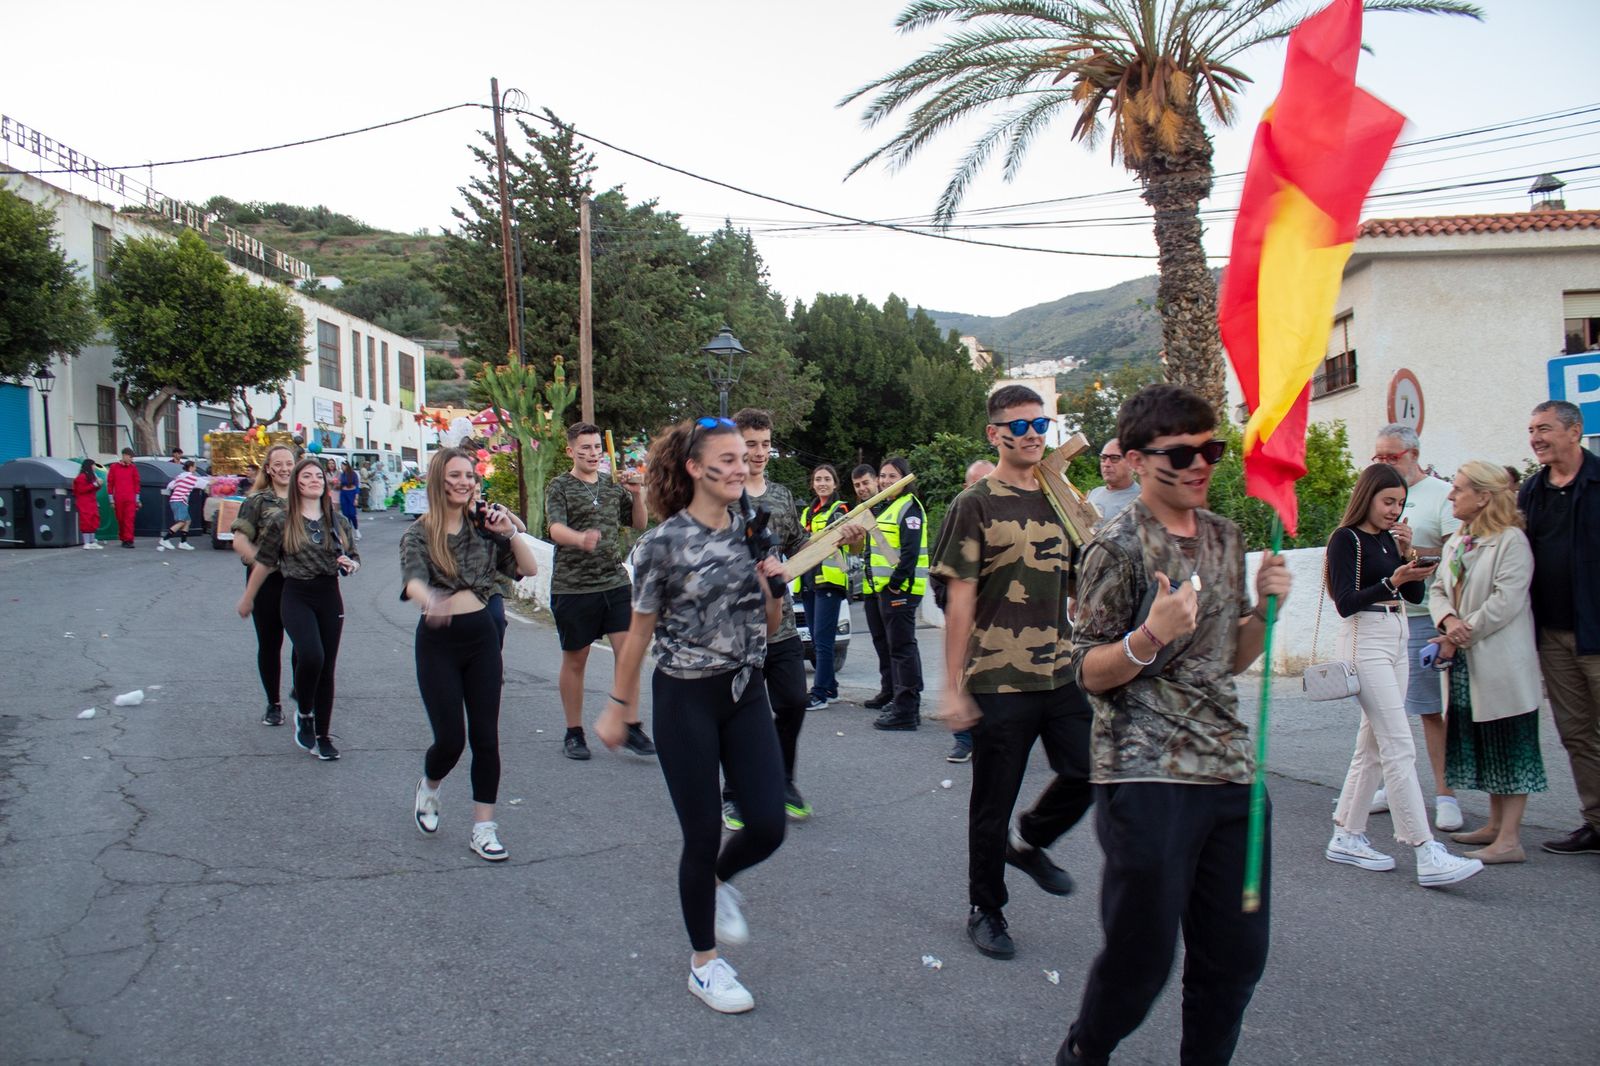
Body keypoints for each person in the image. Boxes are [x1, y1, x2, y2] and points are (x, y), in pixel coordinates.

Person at [1059, 383, 1291, 1066]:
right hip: (1144, 769)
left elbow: (1229, 658)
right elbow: (1085, 669)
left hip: (1230, 771)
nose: (1201, 464)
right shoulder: (1116, 545)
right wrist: (1146, 638)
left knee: (1237, 959)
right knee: (1143, 962)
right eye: (1182, 453)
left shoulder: (1225, 535)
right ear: (1134, 459)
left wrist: (1263, 616)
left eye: (1211, 449)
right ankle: (1086, 1050)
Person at [597, 416, 788, 1014]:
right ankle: (704, 965)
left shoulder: (755, 531)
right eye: (727, 459)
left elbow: (772, 627)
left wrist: (773, 586)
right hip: (685, 697)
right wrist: (619, 707)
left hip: (746, 689)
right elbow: (639, 632)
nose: (740, 467)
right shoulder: (661, 544)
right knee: (702, 833)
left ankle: (718, 881)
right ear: (694, 468)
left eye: (745, 458)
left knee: (767, 824)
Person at [936, 387, 1092, 960]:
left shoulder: (1060, 496)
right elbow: (958, 597)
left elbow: (1081, 583)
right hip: (997, 677)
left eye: (1039, 423)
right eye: (1018, 424)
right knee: (991, 803)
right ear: (993, 434)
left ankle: (1028, 842)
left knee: (1089, 771)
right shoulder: (974, 503)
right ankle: (986, 908)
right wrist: (953, 688)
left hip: (1060, 668)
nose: (1031, 433)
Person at [1324, 463, 1483, 887]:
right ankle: (1424, 849)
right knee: (1398, 744)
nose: (1395, 510)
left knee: (1373, 745)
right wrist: (1392, 579)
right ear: (1368, 497)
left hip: (1396, 635)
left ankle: (1347, 834)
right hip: (1365, 638)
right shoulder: (1347, 539)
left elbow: (1412, 594)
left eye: (1400, 503)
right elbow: (1345, 601)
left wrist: (1408, 558)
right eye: (1388, 501)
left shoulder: (1386, 539)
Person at [403, 447, 540, 862]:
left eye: (469, 475)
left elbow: (530, 569)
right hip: (438, 644)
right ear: (438, 481)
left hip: (482, 640)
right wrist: (431, 599)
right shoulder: (419, 533)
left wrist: (510, 532)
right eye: (455, 475)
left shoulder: (484, 528)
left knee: (486, 738)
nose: (464, 482)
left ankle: (484, 827)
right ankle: (430, 785)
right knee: (450, 740)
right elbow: (413, 583)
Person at [1426, 461, 1546, 864]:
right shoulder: (1459, 540)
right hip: (1468, 659)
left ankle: (1510, 840)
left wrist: (1462, 631)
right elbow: (1439, 589)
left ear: (1483, 497)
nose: (1450, 495)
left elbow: (1507, 600)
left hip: (1500, 662)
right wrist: (1448, 620)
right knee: (1487, 742)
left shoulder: (1511, 541)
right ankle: (1495, 826)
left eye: (1458, 489)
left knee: (1509, 743)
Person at [722, 408, 812, 826]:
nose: (759, 453)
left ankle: (783, 779)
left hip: (783, 624)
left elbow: (798, 546)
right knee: (740, 712)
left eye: (764, 444)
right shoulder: (721, 496)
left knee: (794, 701)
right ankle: (735, 793)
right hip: (737, 630)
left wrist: (841, 537)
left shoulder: (781, 495)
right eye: (750, 444)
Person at [1518, 400, 1600, 856]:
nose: (1536, 438)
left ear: (1575, 431)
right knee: (1576, 733)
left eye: (1545, 428)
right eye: (1531, 430)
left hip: (1597, 630)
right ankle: (1596, 822)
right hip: (1552, 634)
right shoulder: (1532, 491)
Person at [1370, 424, 1463, 831]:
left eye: (1391, 457)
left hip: (1424, 616)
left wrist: (1411, 551)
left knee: (1426, 709)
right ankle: (1393, 788)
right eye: (1379, 457)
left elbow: (1455, 556)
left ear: (1413, 453)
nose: (1384, 463)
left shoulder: (1441, 495)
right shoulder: (1375, 496)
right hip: (1383, 615)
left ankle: (1445, 794)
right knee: (1384, 711)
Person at [237, 457, 360, 761]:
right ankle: (304, 710)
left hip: (329, 596)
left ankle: (322, 734)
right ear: (297, 483)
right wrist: (248, 597)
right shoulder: (283, 520)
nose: (315, 480)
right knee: (311, 655)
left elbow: (354, 555)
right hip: (295, 595)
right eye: (307, 476)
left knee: (326, 667)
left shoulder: (338, 520)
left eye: (319, 475)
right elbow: (265, 562)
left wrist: (351, 564)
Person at [545, 421, 654, 761]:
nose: (592, 454)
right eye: (585, 449)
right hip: (573, 586)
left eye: (596, 448)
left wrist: (638, 493)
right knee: (576, 659)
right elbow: (554, 527)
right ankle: (573, 732)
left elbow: (638, 523)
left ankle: (631, 724)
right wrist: (579, 539)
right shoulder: (559, 486)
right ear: (571, 451)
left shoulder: (611, 486)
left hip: (614, 581)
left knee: (630, 654)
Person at [929, 458, 995, 762]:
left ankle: (992, 736)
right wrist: (949, 607)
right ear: (966, 487)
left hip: (999, 624)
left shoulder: (1008, 519)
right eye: (977, 483)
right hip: (965, 618)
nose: (984, 489)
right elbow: (939, 570)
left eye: (989, 482)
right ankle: (963, 739)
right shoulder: (958, 516)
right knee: (962, 675)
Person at [857, 456, 927, 730]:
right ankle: (896, 697)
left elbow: (909, 553)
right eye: (883, 476)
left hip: (899, 591)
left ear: (904, 479)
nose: (885, 481)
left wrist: (896, 584)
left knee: (902, 648)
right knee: (892, 646)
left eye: (892, 477)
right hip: (881, 590)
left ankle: (907, 709)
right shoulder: (887, 507)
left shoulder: (909, 508)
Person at [233, 445, 296, 727]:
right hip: (266, 583)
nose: (284, 468)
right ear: (268, 469)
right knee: (270, 644)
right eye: (278, 464)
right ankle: (274, 703)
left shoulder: (306, 496)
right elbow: (239, 539)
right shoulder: (257, 500)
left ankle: (302, 690)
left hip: (300, 582)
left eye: (289, 463)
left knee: (308, 645)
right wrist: (261, 561)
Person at [797, 463, 850, 712]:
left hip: (829, 580)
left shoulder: (840, 510)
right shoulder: (808, 511)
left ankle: (819, 693)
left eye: (827, 479)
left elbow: (841, 539)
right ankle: (831, 688)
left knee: (823, 640)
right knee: (817, 639)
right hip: (808, 581)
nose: (822, 483)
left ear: (835, 483)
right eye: (818, 479)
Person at [1086, 438, 1139, 526]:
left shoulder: (1142, 501)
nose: (1106, 464)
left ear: (1131, 463)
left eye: (1114, 458)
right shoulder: (1095, 492)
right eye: (1103, 458)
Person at [158, 460, 201, 551]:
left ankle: (183, 542)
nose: (196, 468)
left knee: (187, 521)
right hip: (180, 501)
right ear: (191, 467)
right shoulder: (191, 477)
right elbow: (202, 483)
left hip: (176, 500)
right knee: (182, 522)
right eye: (195, 466)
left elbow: (170, 485)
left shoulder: (180, 476)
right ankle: (165, 539)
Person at [106, 448, 140, 548]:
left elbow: (136, 483)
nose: (131, 459)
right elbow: (110, 483)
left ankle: (129, 539)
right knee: (120, 519)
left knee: (129, 519)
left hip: (130, 498)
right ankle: (123, 538)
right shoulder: (114, 467)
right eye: (130, 457)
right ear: (124, 455)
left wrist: (137, 499)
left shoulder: (133, 468)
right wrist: (111, 500)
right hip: (119, 498)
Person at [72, 460, 103, 549]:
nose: (94, 467)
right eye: (93, 465)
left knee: (93, 520)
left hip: (91, 501)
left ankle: (92, 541)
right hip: (84, 502)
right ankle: (86, 542)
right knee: (86, 521)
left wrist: (98, 485)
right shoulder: (81, 478)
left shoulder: (91, 477)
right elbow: (81, 490)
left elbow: (93, 489)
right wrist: (95, 484)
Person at [338, 461, 362, 541]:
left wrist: (356, 498)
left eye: (343, 466)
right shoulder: (342, 475)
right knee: (345, 514)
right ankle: (348, 532)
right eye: (341, 466)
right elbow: (340, 484)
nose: (342, 468)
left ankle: (357, 530)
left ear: (347, 466)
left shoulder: (353, 474)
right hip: (343, 494)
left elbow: (357, 486)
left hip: (351, 494)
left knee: (352, 514)